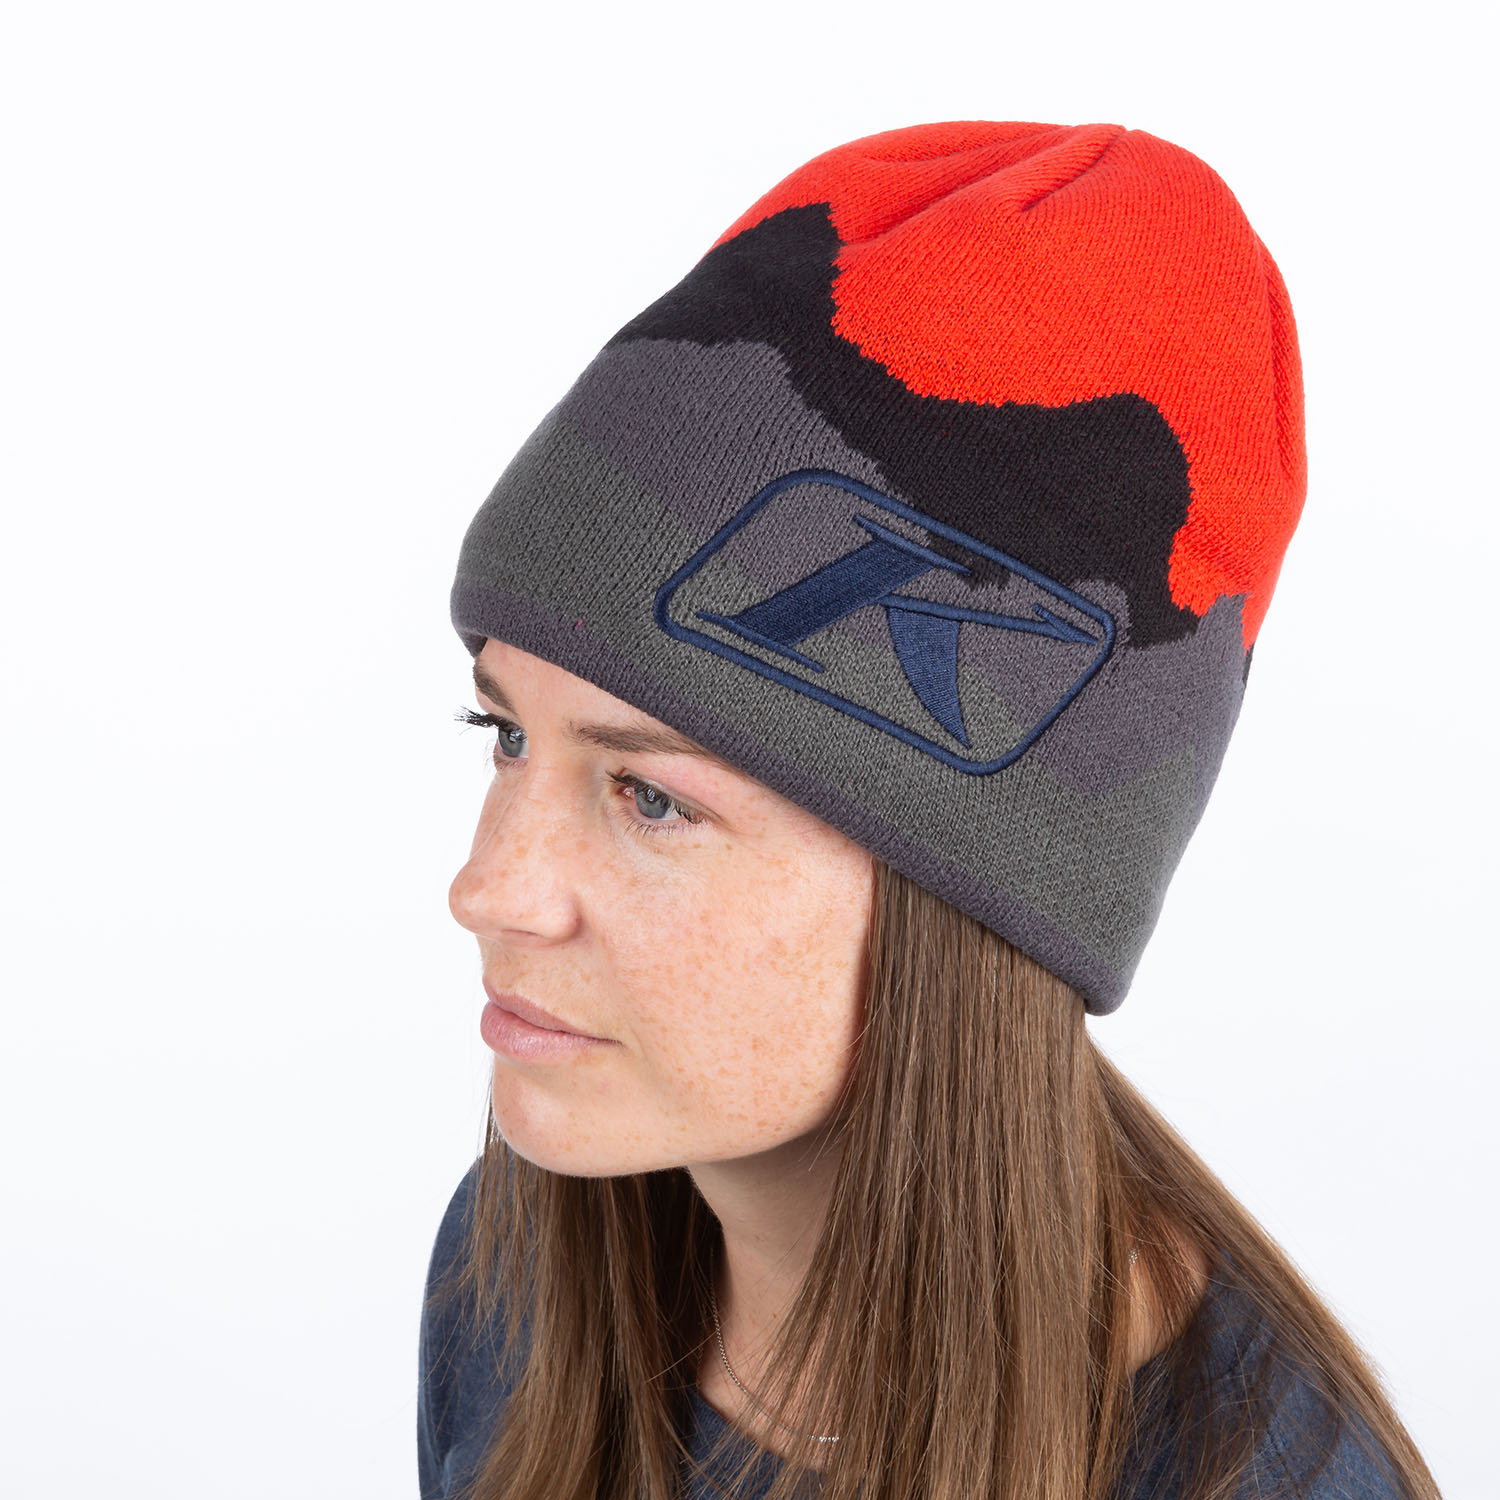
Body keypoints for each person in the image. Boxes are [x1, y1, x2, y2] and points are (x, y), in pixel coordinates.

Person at [418, 120, 1440, 1500]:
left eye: (650, 795)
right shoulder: (522, 1285)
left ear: (968, 892)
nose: (487, 889)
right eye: (504, 733)